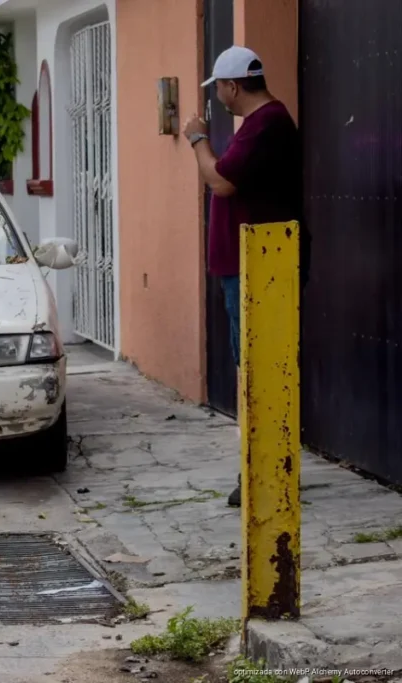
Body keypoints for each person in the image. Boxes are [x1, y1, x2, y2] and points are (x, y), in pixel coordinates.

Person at [183, 46, 303, 507]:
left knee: (257, 367)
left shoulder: (266, 124)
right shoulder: (258, 126)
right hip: (243, 266)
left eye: (219, 89)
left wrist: (198, 139)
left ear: (232, 86)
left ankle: (265, 470)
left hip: (257, 269)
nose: (218, 98)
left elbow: (221, 181)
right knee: (253, 366)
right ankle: (264, 465)